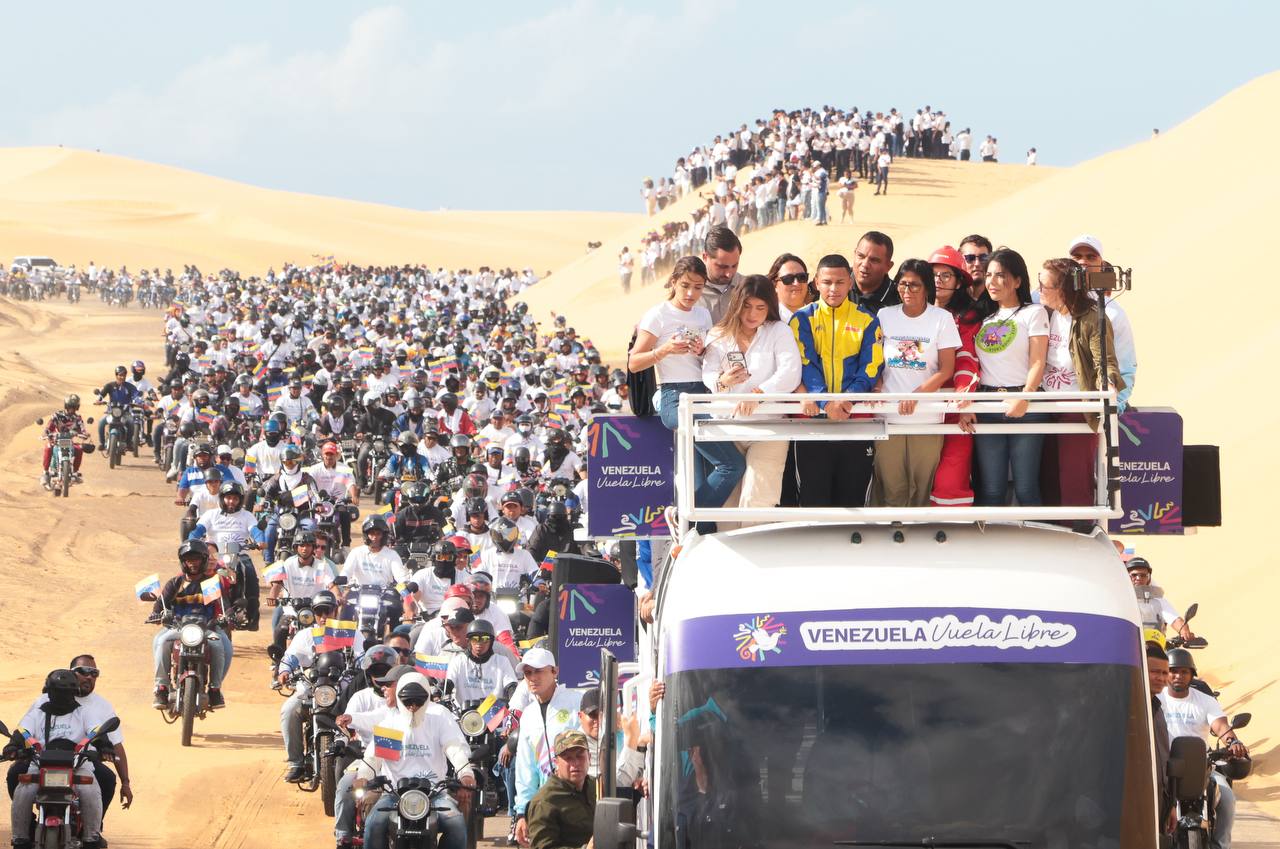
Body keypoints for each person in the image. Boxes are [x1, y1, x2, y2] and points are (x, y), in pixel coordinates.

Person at [629, 256, 745, 522]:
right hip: (675, 396)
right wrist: (664, 350)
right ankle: (685, 518)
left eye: (698, 287)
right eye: (685, 285)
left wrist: (702, 350)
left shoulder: (702, 314)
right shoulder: (658, 314)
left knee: (699, 477)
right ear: (673, 282)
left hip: (705, 394)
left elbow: (710, 357)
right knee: (731, 465)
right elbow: (634, 362)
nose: (691, 293)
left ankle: (696, 529)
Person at [702, 275, 802, 517]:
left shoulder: (779, 330)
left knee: (758, 496)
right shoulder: (718, 333)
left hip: (769, 427)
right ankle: (726, 543)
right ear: (736, 303)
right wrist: (722, 381)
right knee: (729, 502)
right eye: (747, 306)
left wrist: (759, 394)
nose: (752, 314)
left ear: (770, 307)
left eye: (760, 307)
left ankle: (756, 543)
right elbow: (708, 373)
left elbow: (790, 372)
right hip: (726, 426)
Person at [790, 254, 884, 507]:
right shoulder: (801, 318)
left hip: (856, 421)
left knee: (853, 501)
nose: (833, 288)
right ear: (816, 283)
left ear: (850, 282)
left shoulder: (867, 319)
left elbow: (872, 365)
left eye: (840, 282)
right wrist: (825, 402)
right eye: (827, 282)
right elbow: (804, 363)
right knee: (813, 500)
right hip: (811, 424)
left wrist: (847, 400)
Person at [960, 248, 1049, 506]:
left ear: (1018, 281)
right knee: (991, 489)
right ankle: (989, 534)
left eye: (1000, 275)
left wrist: (1025, 397)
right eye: (989, 275)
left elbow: (1038, 360)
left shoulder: (1033, 313)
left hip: (1026, 405)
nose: (992, 282)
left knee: (1026, 486)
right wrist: (968, 404)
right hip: (986, 405)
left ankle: (1035, 533)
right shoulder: (983, 317)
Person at [1036, 257, 1124, 507]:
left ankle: (1078, 526)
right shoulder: (1045, 313)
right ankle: (1050, 529)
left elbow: (1105, 362)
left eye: (1044, 286)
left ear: (1062, 290)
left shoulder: (1092, 318)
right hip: (1044, 404)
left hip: (1076, 407)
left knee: (1073, 479)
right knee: (1047, 476)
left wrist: (1108, 384)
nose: (1038, 290)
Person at [351, 673, 475, 849]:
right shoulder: (391, 725)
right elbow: (372, 759)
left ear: (427, 699)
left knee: (456, 825)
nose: (413, 706)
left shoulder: (438, 721)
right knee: (373, 825)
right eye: (407, 701)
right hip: (394, 794)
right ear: (399, 699)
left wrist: (466, 774)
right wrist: (363, 776)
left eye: (418, 701)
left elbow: (454, 750)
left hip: (434, 794)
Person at [871, 260, 959, 506]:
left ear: (927, 287)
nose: (907, 290)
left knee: (921, 489)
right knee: (891, 487)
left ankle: (918, 529)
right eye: (902, 284)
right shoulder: (884, 316)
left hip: (926, 418)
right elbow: (876, 361)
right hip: (888, 417)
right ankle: (893, 528)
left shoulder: (942, 318)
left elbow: (947, 369)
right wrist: (877, 385)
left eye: (914, 285)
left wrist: (916, 395)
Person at [6, 670, 108, 849]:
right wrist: (13, 746)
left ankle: (91, 837)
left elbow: (96, 733)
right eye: (57, 691)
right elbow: (22, 732)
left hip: (77, 765)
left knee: (90, 790)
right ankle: (20, 838)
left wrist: (105, 747)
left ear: (74, 692)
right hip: (40, 764)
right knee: (24, 791)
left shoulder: (84, 713)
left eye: (66, 692)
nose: (61, 695)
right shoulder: (37, 714)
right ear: (48, 692)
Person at [1160, 648, 1248, 849]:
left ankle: (1220, 845)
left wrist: (1233, 742)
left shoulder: (1205, 701)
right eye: (1173, 671)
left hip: (1201, 767)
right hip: (1164, 767)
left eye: (1184, 671)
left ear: (1192, 674)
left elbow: (1221, 726)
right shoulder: (1157, 699)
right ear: (1166, 672)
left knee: (1227, 799)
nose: (1178, 676)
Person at [276, 590, 363, 782]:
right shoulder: (305, 635)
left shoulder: (351, 633)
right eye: (319, 611)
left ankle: (363, 761)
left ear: (335, 611)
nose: (324, 616)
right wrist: (284, 671)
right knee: (289, 710)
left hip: (344, 691)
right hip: (311, 690)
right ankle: (296, 763)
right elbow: (291, 656)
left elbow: (362, 656)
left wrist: (364, 666)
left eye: (328, 611)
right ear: (313, 613)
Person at [146, 540, 231, 710]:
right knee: (162, 642)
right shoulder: (175, 583)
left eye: (196, 559)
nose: (192, 563)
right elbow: (159, 606)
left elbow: (224, 606)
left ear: (204, 560)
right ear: (183, 562)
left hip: (206, 628)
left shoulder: (210, 584)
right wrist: (156, 615)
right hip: (178, 628)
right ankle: (161, 687)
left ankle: (215, 689)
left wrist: (228, 616)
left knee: (219, 646)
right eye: (188, 560)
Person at [928, 246, 982, 507]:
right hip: (916, 406)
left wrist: (964, 400)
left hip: (954, 408)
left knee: (950, 478)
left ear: (959, 282)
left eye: (946, 275)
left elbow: (967, 359)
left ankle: (949, 528)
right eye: (933, 274)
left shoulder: (969, 319)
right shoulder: (909, 312)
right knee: (916, 474)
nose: (938, 280)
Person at [510, 649, 582, 847]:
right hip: (544, 803)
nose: (533, 678)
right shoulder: (528, 715)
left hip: (576, 799)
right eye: (528, 673)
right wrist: (522, 813)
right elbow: (525, 768)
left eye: (538, 671)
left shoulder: (575, 702)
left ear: (554, 671)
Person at [1067, 234, 1137, 412]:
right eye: (1077, 256)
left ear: (1101, 264)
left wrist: (1112, 407)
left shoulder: (1112, 313)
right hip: (1049, 404)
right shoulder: (1047, 299)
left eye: (1091, 257)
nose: (1083, 262)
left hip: (1090, 409)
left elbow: (1125, 368)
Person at [266, 530, 338, 655]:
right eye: (301, 545)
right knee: (281, 630)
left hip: (316, 610)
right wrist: (272, 596)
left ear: (313, 548)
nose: (305, 549)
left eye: (308, 545)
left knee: (328, 633)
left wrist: (338, 596)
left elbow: (331, 584)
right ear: (296, 547)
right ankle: (279, 660)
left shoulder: (322, 566)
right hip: (292, 610)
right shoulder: (288, 563)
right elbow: (277, 583)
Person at [525, 730, 596, 849]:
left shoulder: (596, 786)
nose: (575, 763)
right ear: (556, 762)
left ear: (589, 757)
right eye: (568, 758)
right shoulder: (544, 802)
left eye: (580, 756)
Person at [444, 618, 518, 704]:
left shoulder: (502, 661)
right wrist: (442, 691)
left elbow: (511, 686)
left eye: (485, 639)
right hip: (464, 711)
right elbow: (448, 683)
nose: (479, 643)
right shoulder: (458, 661)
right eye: (475, 639)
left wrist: (512, 698)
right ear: (469, 641)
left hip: (493, 710)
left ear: (491, 642)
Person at [1127, 556, 1196, 640]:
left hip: (1154, 644)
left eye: (1143, 575)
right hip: (1126, 644)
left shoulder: (1158, 601)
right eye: (1134, 575)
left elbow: (1175, 620)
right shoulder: (1119, 600)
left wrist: (1184, 631)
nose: (1138, 578)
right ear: (1126, 576)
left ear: (1148, 578)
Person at [308, 441, 360, 546]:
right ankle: (309, 543)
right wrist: (313, 499)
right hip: (319, 503)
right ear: (322, 455)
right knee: (307, 518)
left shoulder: (344, 469)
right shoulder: (314, 469)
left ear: (336, 455)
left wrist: (354, 496)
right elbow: (309, 485)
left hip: (338, 502)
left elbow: (350, 484)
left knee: (345, 515)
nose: (329, 457)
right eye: (326, 454)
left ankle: (346, 545)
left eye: (331, 454)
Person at [40, 394, 91, 488]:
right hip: (56, 441)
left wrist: (85, 434)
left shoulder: (78, 418)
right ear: (66, 406)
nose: (72, 409)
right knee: (48, 448)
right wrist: (46, 433)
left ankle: (74, 473)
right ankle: (45, 473)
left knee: (79, 449)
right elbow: (49, 427)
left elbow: (82, 429)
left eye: (74, 407)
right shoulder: (57, 415)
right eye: (71, 407)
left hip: (69, 442)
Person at [697, 226, 744, 323]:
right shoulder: (689, 292)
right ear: (705, 257)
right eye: (722, 267)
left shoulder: (748, 287)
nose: (729, 274)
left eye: (734, 266)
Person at [93, 365, 142, 451]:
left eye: (124, 375)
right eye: (120, 375)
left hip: (125, 413)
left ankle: (129, 443)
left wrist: (138, 401)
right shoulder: (110, 386)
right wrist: (98, 400)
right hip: (111, 412)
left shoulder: (130, 387)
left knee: (131, 423)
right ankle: (102, 443)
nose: (122, 377)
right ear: (116, 375)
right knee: (101, 422)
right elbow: (102, 394)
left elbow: (136, 395)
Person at [958, 235, 993, 301]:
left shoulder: (999, 299)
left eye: (983, 258)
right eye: (970, 258)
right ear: (960, 261)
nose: (977, 264)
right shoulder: (950, 299)